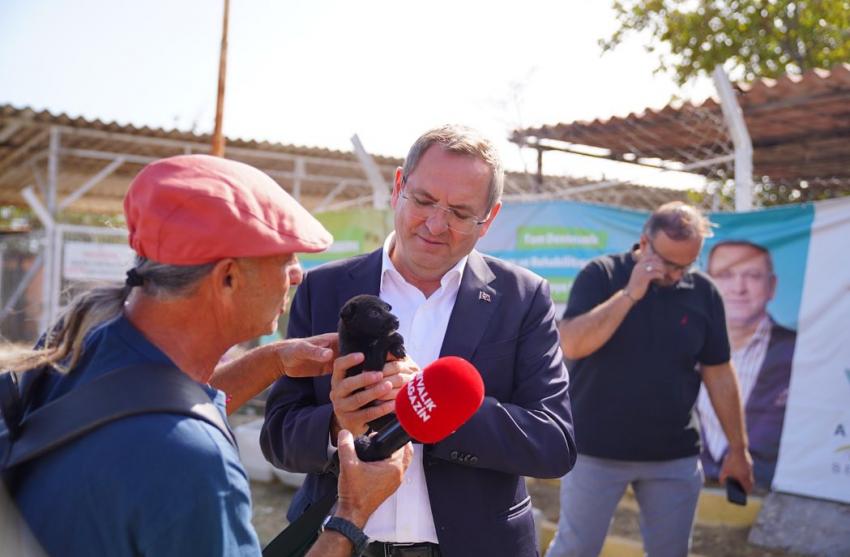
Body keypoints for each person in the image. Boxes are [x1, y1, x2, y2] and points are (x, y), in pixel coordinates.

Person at [3, 154, 412, 557]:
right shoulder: (194, 465)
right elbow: (166, 430)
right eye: (285, 258)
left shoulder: (78, 341)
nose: (297, 273)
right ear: (228, 277)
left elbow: (150, 405)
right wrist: (351, 514)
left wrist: (273, 361)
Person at [260, 125, 576, 557]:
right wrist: (337, 425)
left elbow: (553, 444)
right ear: (398, 187)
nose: (435, 224)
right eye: (424, 201)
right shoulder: (324, 289)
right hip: (336, 544)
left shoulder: (522, 298)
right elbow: (277, 435)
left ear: (490, 218)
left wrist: (432, 404)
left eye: (461, 213)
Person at [546, 202, 755, 557]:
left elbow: (719, 373)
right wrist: (630, 294)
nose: (676, 275)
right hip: (595, 450)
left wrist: (738, 449)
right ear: (644, 243)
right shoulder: (602, 274)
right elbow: (572, 344)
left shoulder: (703, 293)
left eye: (686, 265)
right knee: (575, 549)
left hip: (674, 455)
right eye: (669, 264)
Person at [697, 240, 797, 489]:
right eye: (725, 275)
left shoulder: (802, 352)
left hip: (770, 496)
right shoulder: (680, 342)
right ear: (707, 283)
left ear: (771, 286)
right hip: (687, 487)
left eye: (752, 276)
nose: (738, 288)